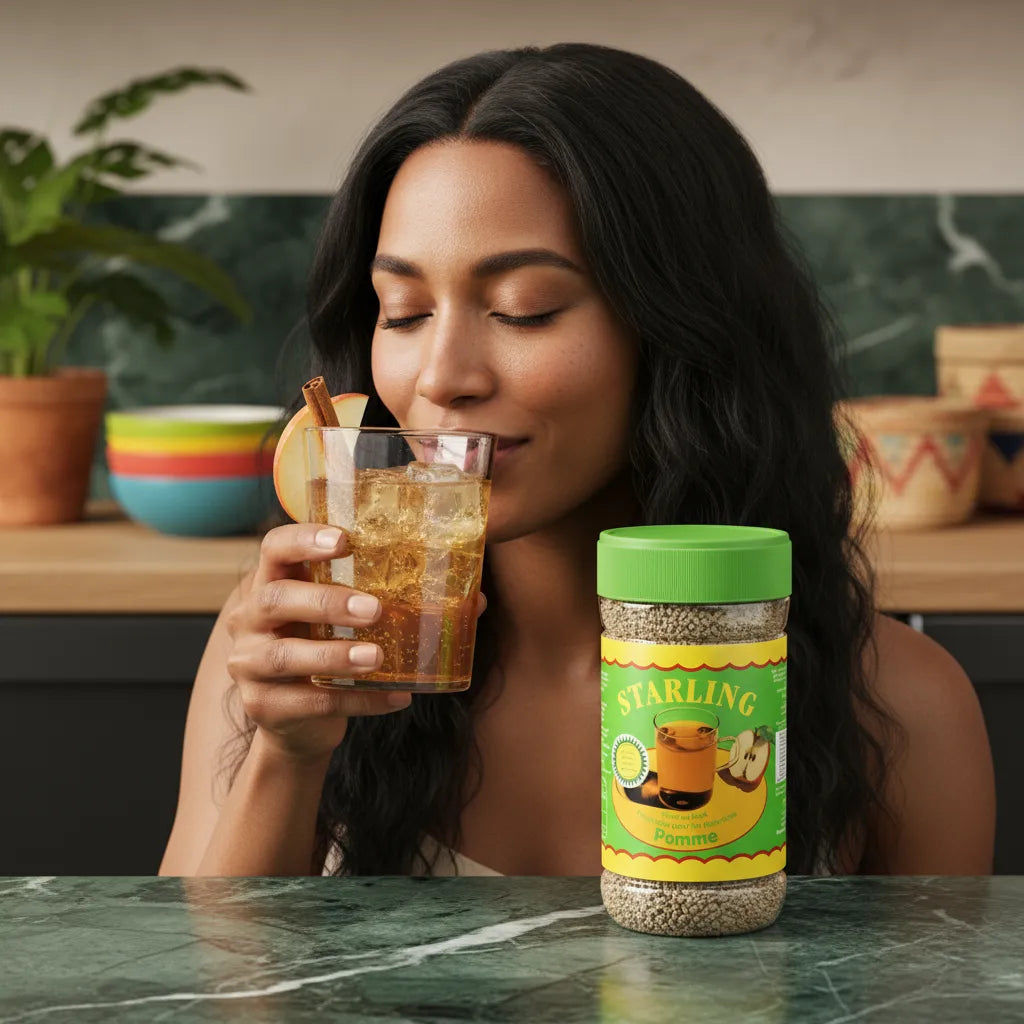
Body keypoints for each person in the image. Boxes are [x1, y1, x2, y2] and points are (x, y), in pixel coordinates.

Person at [159, 43, 995, 878]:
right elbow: (203, 965)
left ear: (680, 329)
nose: (443, 378)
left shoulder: (900, 705)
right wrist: (288, 753)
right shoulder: (289, 642)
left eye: (523, 310)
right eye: (404, 312)